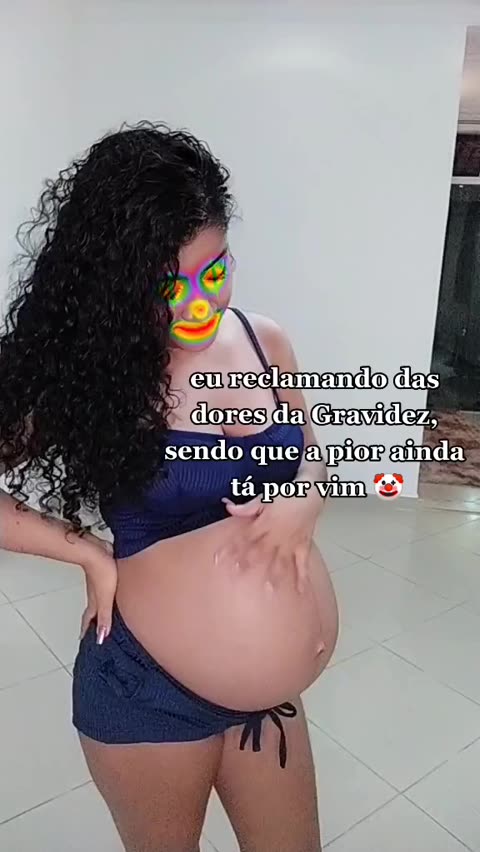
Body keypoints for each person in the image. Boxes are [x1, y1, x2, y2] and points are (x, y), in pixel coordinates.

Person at [0, 121, 338, 852]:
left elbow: (312, 451)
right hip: (148, 690)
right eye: (166, 287)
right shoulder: (92, 376)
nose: (197, 306)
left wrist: (306, 494)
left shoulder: (264, 340)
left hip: (268, 700)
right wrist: (87, 553)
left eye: (213, 274)